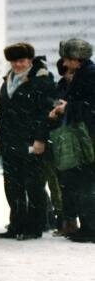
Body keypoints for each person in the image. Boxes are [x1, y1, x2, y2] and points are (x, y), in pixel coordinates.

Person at [0, 43, 55, 240]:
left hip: (31, 140)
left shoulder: (42, 80)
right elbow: (2, 113)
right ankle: (16, 224)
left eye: (21, 61)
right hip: (10, 141)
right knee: (12, 186)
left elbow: (44, 114)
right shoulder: (8, 81)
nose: (17, 65)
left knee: (34, 185)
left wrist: (40, 139)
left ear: (30, 60)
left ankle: (34, 226)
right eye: (14, 61)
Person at [49, 38, 95, 243]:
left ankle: (90, 229)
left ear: (76, 59)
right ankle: (87, 226)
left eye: (67, 60)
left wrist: (66, 107)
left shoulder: (89, 76)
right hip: (85, 136)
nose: (65, 64)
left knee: (87, 182)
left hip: (88, 137)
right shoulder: (86, 74)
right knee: (85, 182)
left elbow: (88, 106)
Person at [49, 59, 78, 237]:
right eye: (67, 72)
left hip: (79, 138)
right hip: (64, 139)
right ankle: (68, 222)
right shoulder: (59, 88)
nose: (70, 76)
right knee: (64, 183)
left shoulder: (84, 86)